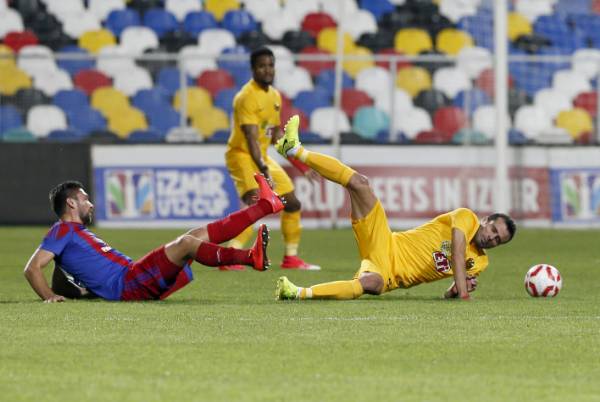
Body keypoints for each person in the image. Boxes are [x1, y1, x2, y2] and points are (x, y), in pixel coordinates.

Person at [274, 115, 517, 301]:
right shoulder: (467, 218)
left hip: (392, 276)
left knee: (371, 285)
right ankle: (295, 149)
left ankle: (296, 293)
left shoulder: (481, 263)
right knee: (360, 184)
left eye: (498, 240)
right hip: (386, 244)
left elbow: (449, 291)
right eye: (493, 230)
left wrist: (455, 291)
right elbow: (456, 248)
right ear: (485, 220)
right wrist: (465, 293)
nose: (492, 238)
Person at [24, 174, 284, 303]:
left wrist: (76, 292)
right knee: (187, 244)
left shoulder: (72, 235)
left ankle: (264, 207)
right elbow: (32, 268)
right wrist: (48, 296)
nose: (90, 204)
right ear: (71, 203)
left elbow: (65, 275)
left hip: (132, 277)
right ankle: (250, 256)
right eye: (84, 199)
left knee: (194, 235)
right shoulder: (61, 230)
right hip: (129, 283)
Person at [222, 46, 320, 271]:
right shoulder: (246, 97)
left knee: (292, 203)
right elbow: (251, 140)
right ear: (253, 69)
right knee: (256, 204)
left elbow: (275, 137)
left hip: (262, 156)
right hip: (242, 156)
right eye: (262, 66)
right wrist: (265, 172)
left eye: (270, 65)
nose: (267, 70)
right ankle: (230, 256)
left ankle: (291, 258)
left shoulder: (274, 96)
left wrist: (300, 165)